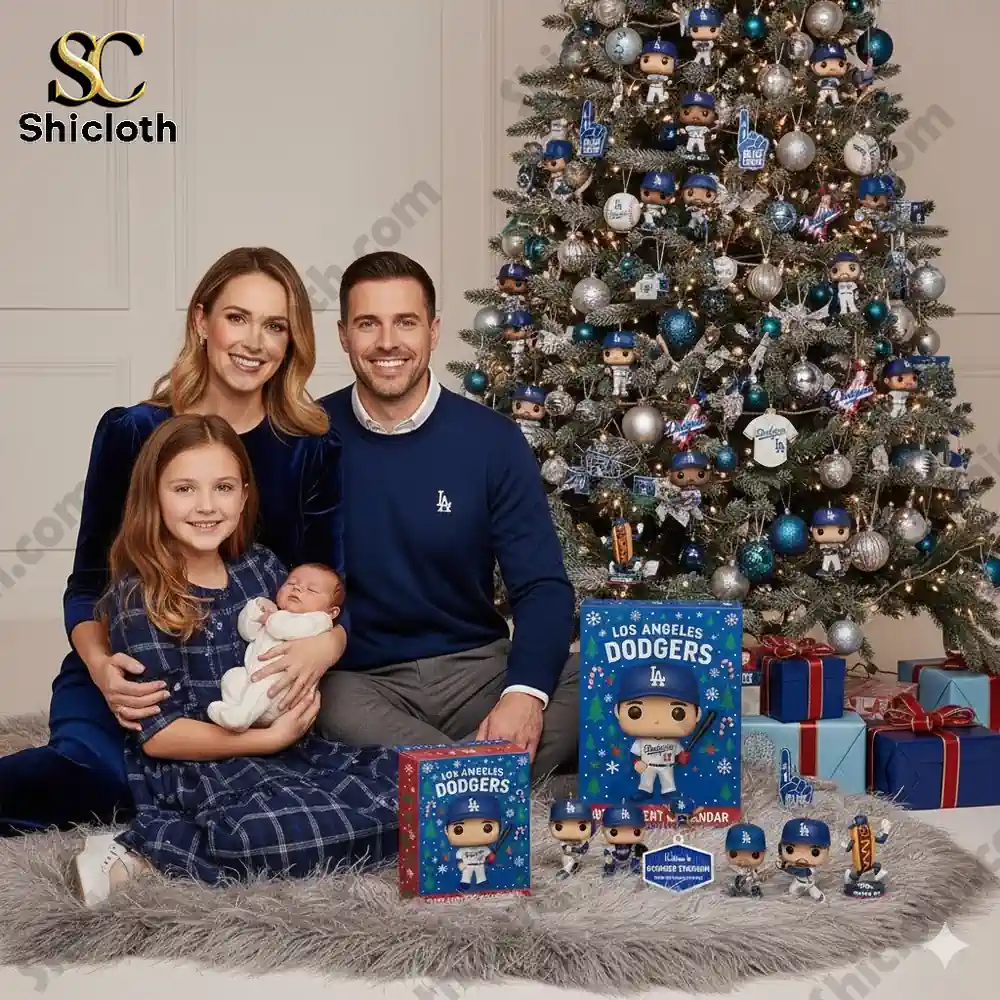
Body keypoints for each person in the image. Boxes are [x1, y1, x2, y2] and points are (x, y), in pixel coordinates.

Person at [0, 247, 348, 836]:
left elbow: (330, 585)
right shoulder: (134, 430)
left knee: (293, 788)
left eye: (275, 325)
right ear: (201, 321)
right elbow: (87, 587)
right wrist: (103, 665)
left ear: (292, 340)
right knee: (104, 782)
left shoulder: (310, 447)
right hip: (136, 667)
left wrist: (326, 647)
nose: (254, 341)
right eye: (237, 317)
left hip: (244, 675)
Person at [69, 415, 396, 906]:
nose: (206, 506)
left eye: (222, 487)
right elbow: (160, 737)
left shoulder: (261, 568)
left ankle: (337, 829)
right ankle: (150, 845)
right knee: (257, 835)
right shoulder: (142, 596)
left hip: (290, 753)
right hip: (199, 764)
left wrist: (307, 680)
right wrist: (269, 738)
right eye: (184, 488)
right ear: (154, 497)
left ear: (244, 495)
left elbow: (306, 630)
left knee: (400, 783)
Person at [318, 251, 578, 777]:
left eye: (405, 323)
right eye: (369, 324)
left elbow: (542, 587)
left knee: (615, 677)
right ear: (344, 335)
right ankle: (485, 774)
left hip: (479, 672)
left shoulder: (492, 441)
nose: (387, 342)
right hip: (364, 682)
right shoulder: (309, 438)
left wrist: (523, 696)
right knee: (322, 706)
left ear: (434, 331)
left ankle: (426, 776)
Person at [207, 562, 345, 731]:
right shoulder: (277, 614)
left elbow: (285, 629)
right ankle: (233, 710)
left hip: (283, 690)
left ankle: (240, 718)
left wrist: (270, 619)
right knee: (233, 676)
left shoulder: (320, 621)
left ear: (332, 612)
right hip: (253, 682)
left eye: (311, 590)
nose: (297, 589)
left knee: (268, 682)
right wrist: (256, 608)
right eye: (291, 584)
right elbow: (248, 633)